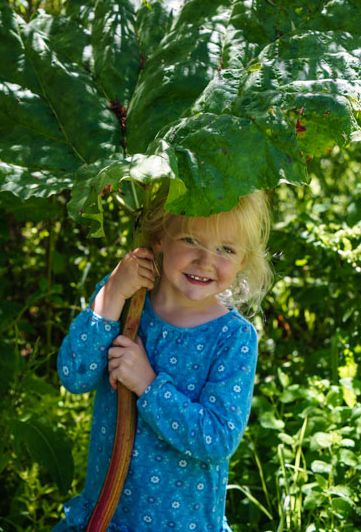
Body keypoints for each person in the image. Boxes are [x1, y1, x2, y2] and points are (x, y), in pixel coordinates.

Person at [53, 190, 272, 532]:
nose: (205, 261)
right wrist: (111, 295)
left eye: (225, 249)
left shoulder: (232, 338)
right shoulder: (127, 299)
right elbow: (74, 376)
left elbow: (216, 440)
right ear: (159, 237)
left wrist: (148, 384)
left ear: (243, 259)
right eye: (190, 239)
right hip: (106, 518)